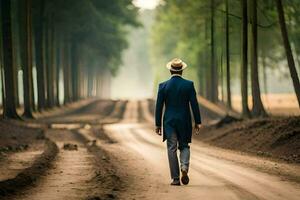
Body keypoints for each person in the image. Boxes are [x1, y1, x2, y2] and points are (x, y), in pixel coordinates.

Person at [155, 58, 202, 186]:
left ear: (170, 70)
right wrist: (197, 121)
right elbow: (194, 104)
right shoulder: (189, 85)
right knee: (184, 146)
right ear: (182, 71)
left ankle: (175, 179)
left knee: (171, 148)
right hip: (184, 121)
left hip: (169, 122)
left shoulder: (163, 86)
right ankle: (184, 168)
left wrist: (157, 124)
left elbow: (159, 107)